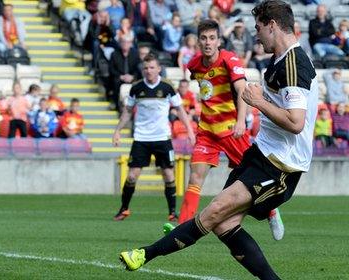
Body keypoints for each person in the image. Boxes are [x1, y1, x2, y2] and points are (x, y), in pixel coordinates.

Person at [119, 2, 318, 279]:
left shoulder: (294, 64)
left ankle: (144, 254)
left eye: (258, 28)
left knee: (213, 213)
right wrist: (264, 98)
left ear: (272, 24)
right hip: (260, 154)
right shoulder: (278, 60)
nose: (256, 36)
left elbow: (296, 123)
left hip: (280, 165)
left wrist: (258, 102)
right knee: (224, 225)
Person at [176, 19, 284, 240]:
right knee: (194, 178)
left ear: (218, 41)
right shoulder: (194, 65)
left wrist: (240, 121)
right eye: (204, 38)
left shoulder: (229, 59)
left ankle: (271, 210)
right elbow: (202, 86)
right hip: (206, 131)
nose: (208, 42)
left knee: (250, 177)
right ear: (198, 41)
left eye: (212, 38)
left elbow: (242, 89)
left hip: (231, 130)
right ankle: (182, 225)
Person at [112, 54, 196, 221]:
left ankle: (172, 212)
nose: (148, 71)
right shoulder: (136, 88)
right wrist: (117, 131)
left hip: (162, 138)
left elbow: (179, 109)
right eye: (146, 68)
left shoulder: (167, 87)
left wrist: (190, 131)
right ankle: (124, 209)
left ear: (158, 69)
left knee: (168, 175)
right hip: (141, 139)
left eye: (152, 67)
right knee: (132, 176)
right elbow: (127, 111)